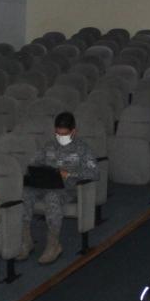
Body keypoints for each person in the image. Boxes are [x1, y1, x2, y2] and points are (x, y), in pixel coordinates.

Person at [22, 112, 99, 265]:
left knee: (52, 197)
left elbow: (94, 173)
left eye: (64, 134)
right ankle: (25, 240)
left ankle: (53, 244)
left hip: (69, 188)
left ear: (73, 132)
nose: (60, 137)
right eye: (58, 133)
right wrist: (38, 171)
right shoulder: (49, 145)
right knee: (25, 193)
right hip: (47, 183)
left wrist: (70, 174)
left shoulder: (82, 149)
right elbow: (33, 164)